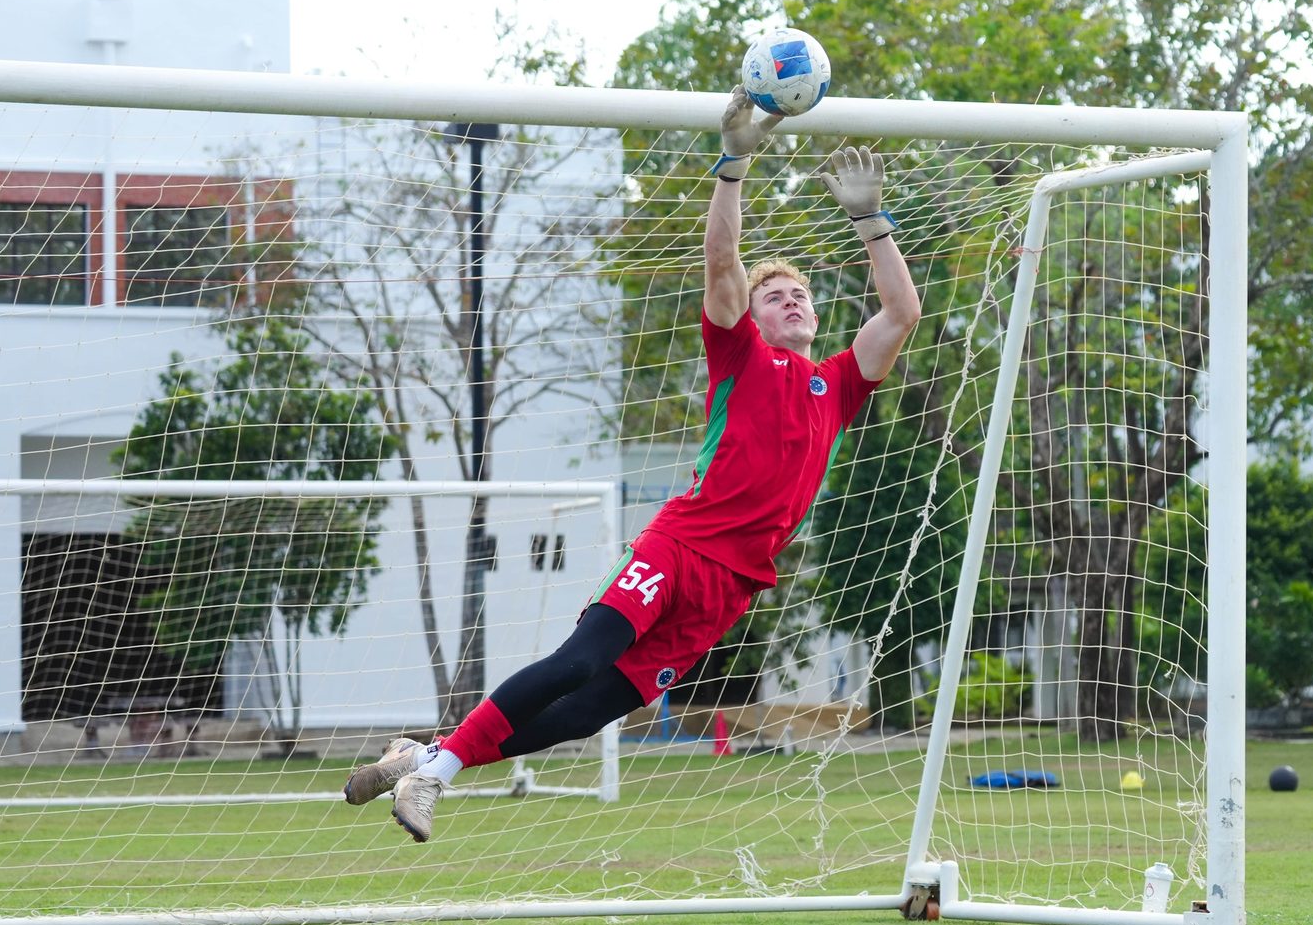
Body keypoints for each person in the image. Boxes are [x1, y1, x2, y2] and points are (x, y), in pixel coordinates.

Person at [344, 85, 923, 841]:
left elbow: (902, 313)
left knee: (579, 717)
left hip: (729, 590)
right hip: (678, 550)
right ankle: (434, 776)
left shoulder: (838, 384)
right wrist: (732, 170)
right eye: (774, 294)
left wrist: (872, 222)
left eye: (800, 294)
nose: (790, 301)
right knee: (574, 665)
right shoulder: (740, 356)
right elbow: (722, 264)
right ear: (749, 316)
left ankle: (422, 753)